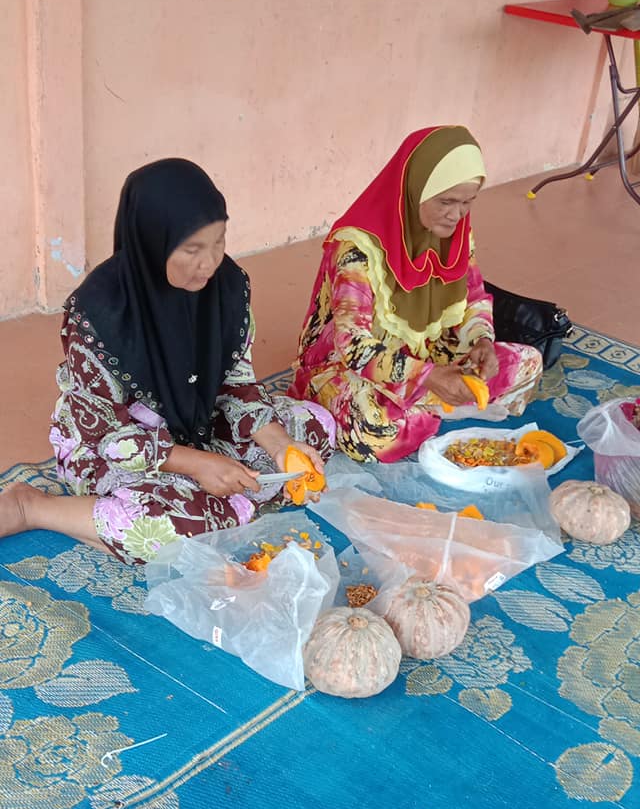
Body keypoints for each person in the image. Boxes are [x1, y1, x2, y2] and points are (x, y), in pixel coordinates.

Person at [0, 158, 334, 563]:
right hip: (118, 446)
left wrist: (281, 447)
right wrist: (198, 465)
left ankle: (215, 500)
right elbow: (108, 436)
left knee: (316, 427)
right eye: (192, 249)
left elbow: (237, 384)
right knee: (170, 526)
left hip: (199, 426)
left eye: (219, 241)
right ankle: (33, 507)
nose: (210, 262)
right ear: (151, 243)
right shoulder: (99, 316)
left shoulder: (229, 288)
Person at [289, 126, 542, 462]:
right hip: (353, 364)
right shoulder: (357, 248)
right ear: (414, 189)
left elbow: (474, 297)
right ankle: (440, 403)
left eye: (467, 202)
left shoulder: (456, 235)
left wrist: (481, 340)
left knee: (528, 362)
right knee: (373, 430)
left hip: (426, 349)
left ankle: (428, 406)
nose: (456, 214)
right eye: (446, 201)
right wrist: (426, 377)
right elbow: (352, 346)